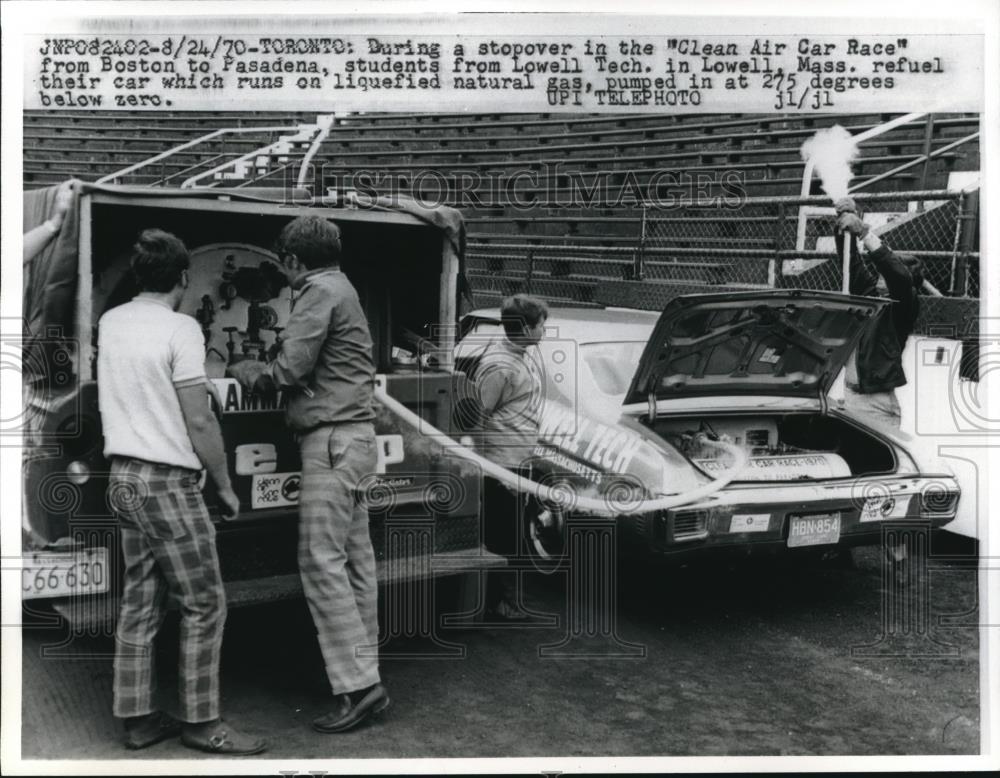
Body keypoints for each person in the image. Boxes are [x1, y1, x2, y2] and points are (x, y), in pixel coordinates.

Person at [98, 230, 265, 755]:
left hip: (123, 477)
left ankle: (138, 718)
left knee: (141, 602)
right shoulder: (182, 328)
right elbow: (198, 416)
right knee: (205, 603)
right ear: (185, 278)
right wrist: (223, 484)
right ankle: (202, 722)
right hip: (167, 481)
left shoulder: (112, 320)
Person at [226, 216, 388, 733]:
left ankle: (358, 688)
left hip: (333, 442)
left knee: (320, 562)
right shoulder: (344, 285)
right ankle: (365, 677)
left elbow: (288, 372)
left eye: (285, 267)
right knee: (356, 563)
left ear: (294, 262)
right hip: (356, 441)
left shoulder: (318, 292)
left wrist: (247, 370)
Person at [475, 294, 549, 620]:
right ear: (527, 328)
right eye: (541, 324)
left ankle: (509, 601)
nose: (545, 330)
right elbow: (477, 416)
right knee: (505, 537)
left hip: (516, 462)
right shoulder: (499, 366)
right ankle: (502, 604)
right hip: (502, 465)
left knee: (514, 535)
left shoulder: (519, 355)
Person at [835, 197, 923, 429]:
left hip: (875, 405)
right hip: (852, 396)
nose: (880, 277)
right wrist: (843, 222)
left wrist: (864, 231)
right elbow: (851, 263)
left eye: (886, 274)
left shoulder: (904, 305)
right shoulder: (873, 294)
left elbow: (898, 276)